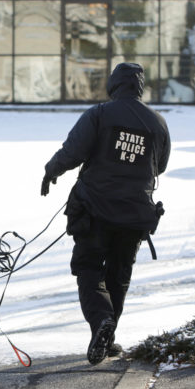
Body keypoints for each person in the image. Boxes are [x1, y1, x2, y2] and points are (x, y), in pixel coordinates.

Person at [41, 62, 170, 365]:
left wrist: (51, 170)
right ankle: (107, 335)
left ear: (113, 85)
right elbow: (160, 166)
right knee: (119, 274)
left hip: (95, 209)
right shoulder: (158, 122)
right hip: (135, 213)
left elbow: (73, 151)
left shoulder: (99, 114)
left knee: (88, 267)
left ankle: (101, 322)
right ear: (140, 87)